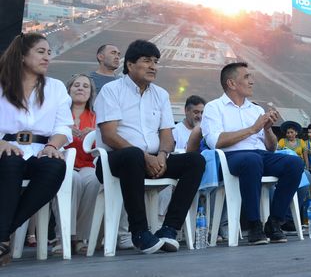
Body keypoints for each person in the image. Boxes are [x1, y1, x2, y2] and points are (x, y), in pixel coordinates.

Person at [95, 39, 205, 254]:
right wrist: (145, 157)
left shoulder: (161, 94)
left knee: (196, 161)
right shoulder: (111, 90)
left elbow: (167, 134)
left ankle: (169, 229)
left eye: (155, 62)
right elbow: (109, 135)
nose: (153, 66)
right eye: (147, 61)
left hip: (153, 160)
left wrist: (162, 156)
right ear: (130, 65)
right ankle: (139, 232)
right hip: (116, 161)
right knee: (133, 155)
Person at [201, 62, 303, 245]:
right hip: (232, 157)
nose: (252, 81)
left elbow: (271, 147)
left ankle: (274, 222)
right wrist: (253, 129)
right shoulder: (214, 107)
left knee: (294, 163)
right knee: (252, 160)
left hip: (261, 156)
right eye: (246, 77)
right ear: (231, 83)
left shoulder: (256, 109)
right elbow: (215, 141)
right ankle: (254, 225)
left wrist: (267, 129)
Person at [0, 33, 71, 267]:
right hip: (5, 148)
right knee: (10, 161)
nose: (47, 57)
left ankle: (2, 235)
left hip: (40, 149)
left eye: (49, 53)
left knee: (55, 166)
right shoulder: (2, 84)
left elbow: (63, 126)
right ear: (22, 56)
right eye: (41, 52)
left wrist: (52, 145)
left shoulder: (56, 87)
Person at [56, 74, 101, 256]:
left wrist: (94, 134)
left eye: (85, 86)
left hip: (87, 165)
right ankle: (63, 237)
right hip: (63, 164)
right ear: (69, 90)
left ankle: (80, 238)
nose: (80, 88)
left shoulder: (96, 118)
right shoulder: (59, 114)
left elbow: (102, 147)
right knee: (71, 180)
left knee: (93, 181)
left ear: (90, 93)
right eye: (76, 85)